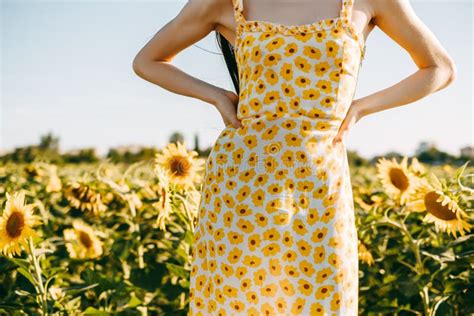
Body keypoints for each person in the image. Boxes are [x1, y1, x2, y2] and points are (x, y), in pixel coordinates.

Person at [133, 0, 456, 314]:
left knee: (322, 296)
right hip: (240, 179)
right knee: (238, 298)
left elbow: (439, 68)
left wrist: (360, 108)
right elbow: (148, 60)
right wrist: (217, 96)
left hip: (321, 177)